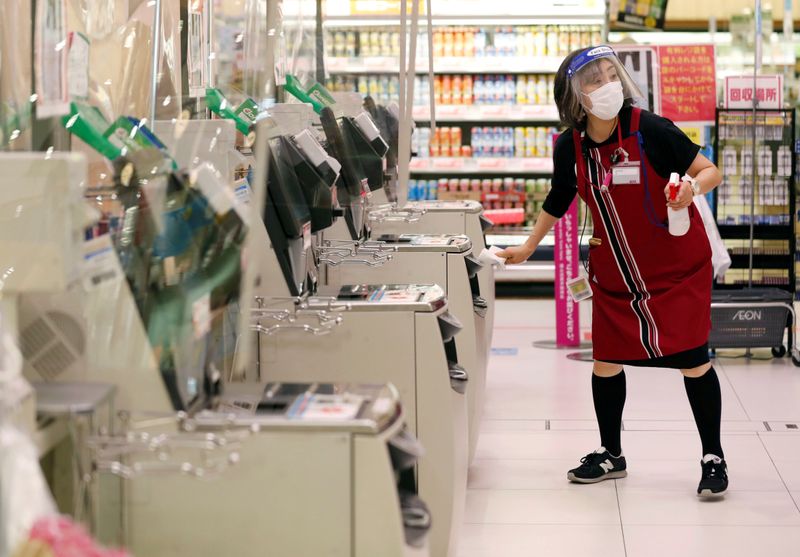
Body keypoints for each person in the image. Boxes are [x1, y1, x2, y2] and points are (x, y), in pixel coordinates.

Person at [498, 46, 727, 497]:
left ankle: (713, 456)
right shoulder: (570, 147)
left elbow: (710, 170)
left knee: (693, 360)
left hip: (675, 270)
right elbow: (559, 196)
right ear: (574, 96)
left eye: (610, 75)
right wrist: (528, 245)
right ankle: (611, 453)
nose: (607, 86)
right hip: (616, 273)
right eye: (593, 80)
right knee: (605, 361)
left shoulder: (651, 129)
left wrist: (690, 190)